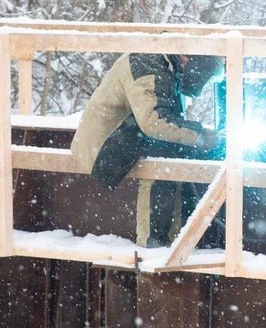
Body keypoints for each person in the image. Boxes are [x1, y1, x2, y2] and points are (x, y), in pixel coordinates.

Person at [72, 52, 224, 247]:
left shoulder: (168, 67)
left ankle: (177, 238)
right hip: (105, 147)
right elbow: (154, 121)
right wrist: (200, 135)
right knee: (166, 157)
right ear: (192, 62)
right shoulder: (145, 62)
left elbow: (171, 120)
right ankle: (152, 242)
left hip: (128, 137)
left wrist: (200, 137)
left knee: (181, 151)